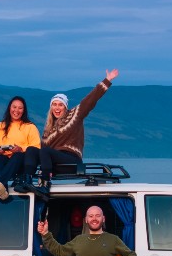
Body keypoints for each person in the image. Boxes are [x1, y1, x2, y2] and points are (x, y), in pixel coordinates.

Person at [17, 69, 119, 198]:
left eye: (60, 105)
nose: (57, 108)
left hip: (71, 161)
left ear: (65, 107)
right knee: (32, 149)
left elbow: (90, 100)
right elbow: (40, 152)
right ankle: (27, 180)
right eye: (54, 104)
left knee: (45, 151)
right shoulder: (48, 129)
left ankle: (45, 184)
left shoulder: (74, 115)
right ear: (51, 107)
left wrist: (107, 80)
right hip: (54, 164)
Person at [0, 96, 41, 200]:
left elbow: (36, 146)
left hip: (21, 162)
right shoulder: (0, 126)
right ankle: (2, 190)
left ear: (24, 110)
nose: (16, 110)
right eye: (14, 107)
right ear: (9, 108)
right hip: (4, 160)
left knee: (18, 155)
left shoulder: (30, 127)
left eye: (20, 108)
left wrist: (21, 149)